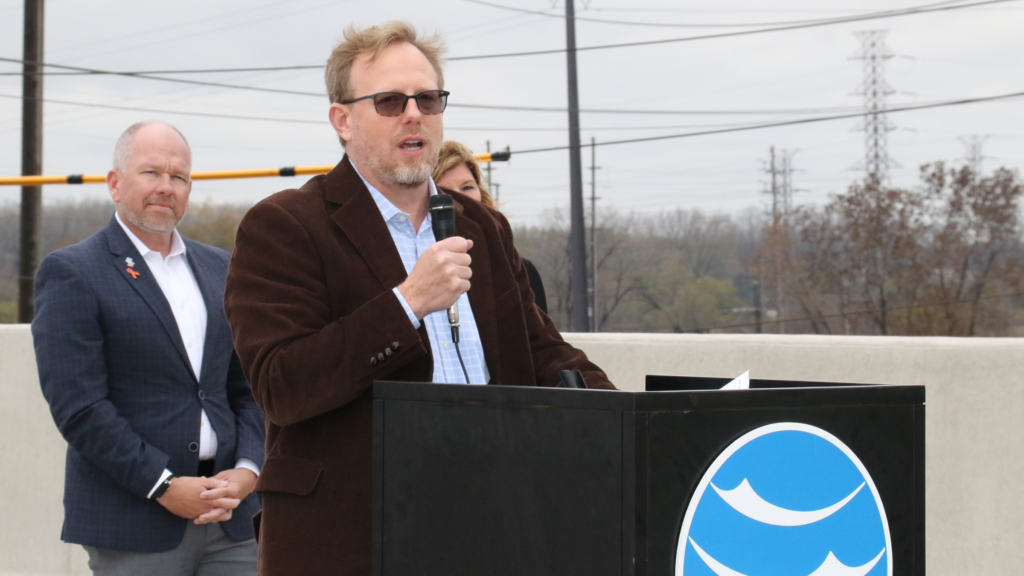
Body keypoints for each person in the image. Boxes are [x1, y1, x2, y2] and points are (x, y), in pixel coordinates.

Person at [223, 21, 615, 576]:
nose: (414, 114)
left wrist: (631, 418)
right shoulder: (286, 225)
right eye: (389, 101)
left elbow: (541, 350)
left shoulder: (479, 224)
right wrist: (406, 303)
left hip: (491, 521)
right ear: (342, 120)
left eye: (427, 99)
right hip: (356, 536)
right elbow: (282, 384)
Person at [32, 122, 264, 575]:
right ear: (115, 183)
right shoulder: (73, 272)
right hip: (135, 523)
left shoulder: (221, 268)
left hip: (232, 518)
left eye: (178, 177)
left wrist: (249, 469)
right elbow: (79, 408)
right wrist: (163, 485)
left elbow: (249, 385)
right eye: (151, 172)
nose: (165, 187)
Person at [433, 140, 548, 313]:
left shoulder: (517, 272)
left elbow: (538, 338)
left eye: (467, 187)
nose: (462, 199)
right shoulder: (413, 276)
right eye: (445, 191)